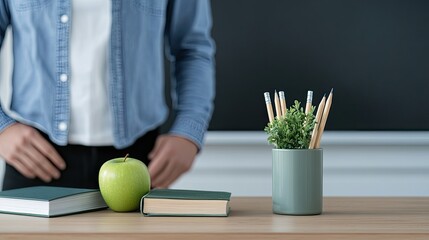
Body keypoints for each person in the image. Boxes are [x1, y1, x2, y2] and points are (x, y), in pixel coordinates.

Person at [0, 0, 215, 190]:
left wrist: (189, 131)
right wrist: (2, 128)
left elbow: (192, 48)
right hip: (32, 157)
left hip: (139, 160)